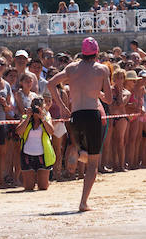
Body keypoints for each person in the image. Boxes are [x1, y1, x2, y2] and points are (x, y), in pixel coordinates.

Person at [48, 37, 113, 212]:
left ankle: (78, 152)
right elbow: (109, 99)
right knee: (93, 162)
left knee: (81, 150)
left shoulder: (71, 68)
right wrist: (97, 93)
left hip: (76, 115)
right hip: (92, 114)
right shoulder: (102, 70)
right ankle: (83, 202)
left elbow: (51, 83)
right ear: (97, 53)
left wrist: (62, 107)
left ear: (82, 53)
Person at [15, 95, 55, 191]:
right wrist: (28, 117)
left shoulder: (46, 117)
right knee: (29, 187)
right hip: (27, 155)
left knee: (43, 187)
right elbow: (18, 131)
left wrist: (42, 118)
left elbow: (51, 131)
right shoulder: (25, 117)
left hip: (43, 155)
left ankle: (43, 178)